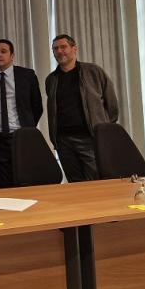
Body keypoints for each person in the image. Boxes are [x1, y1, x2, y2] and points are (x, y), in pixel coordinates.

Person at [46, 34, 119, 182]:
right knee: (75, 183)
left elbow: (111, 105)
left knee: (96, 181)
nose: (59, 51)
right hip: (64, 142)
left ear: (74, 49)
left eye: (63, 47)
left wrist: (103, 129)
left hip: (90, 138)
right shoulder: (51, 79)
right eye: (55, 49)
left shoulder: (93, 71)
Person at [0, 39, 43, 189]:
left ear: (12, 55)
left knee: (25, 181)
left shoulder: (27, 75)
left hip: (21, 137)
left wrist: (27, 128)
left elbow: (37, 106)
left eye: (3, 51)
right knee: (3, 183)